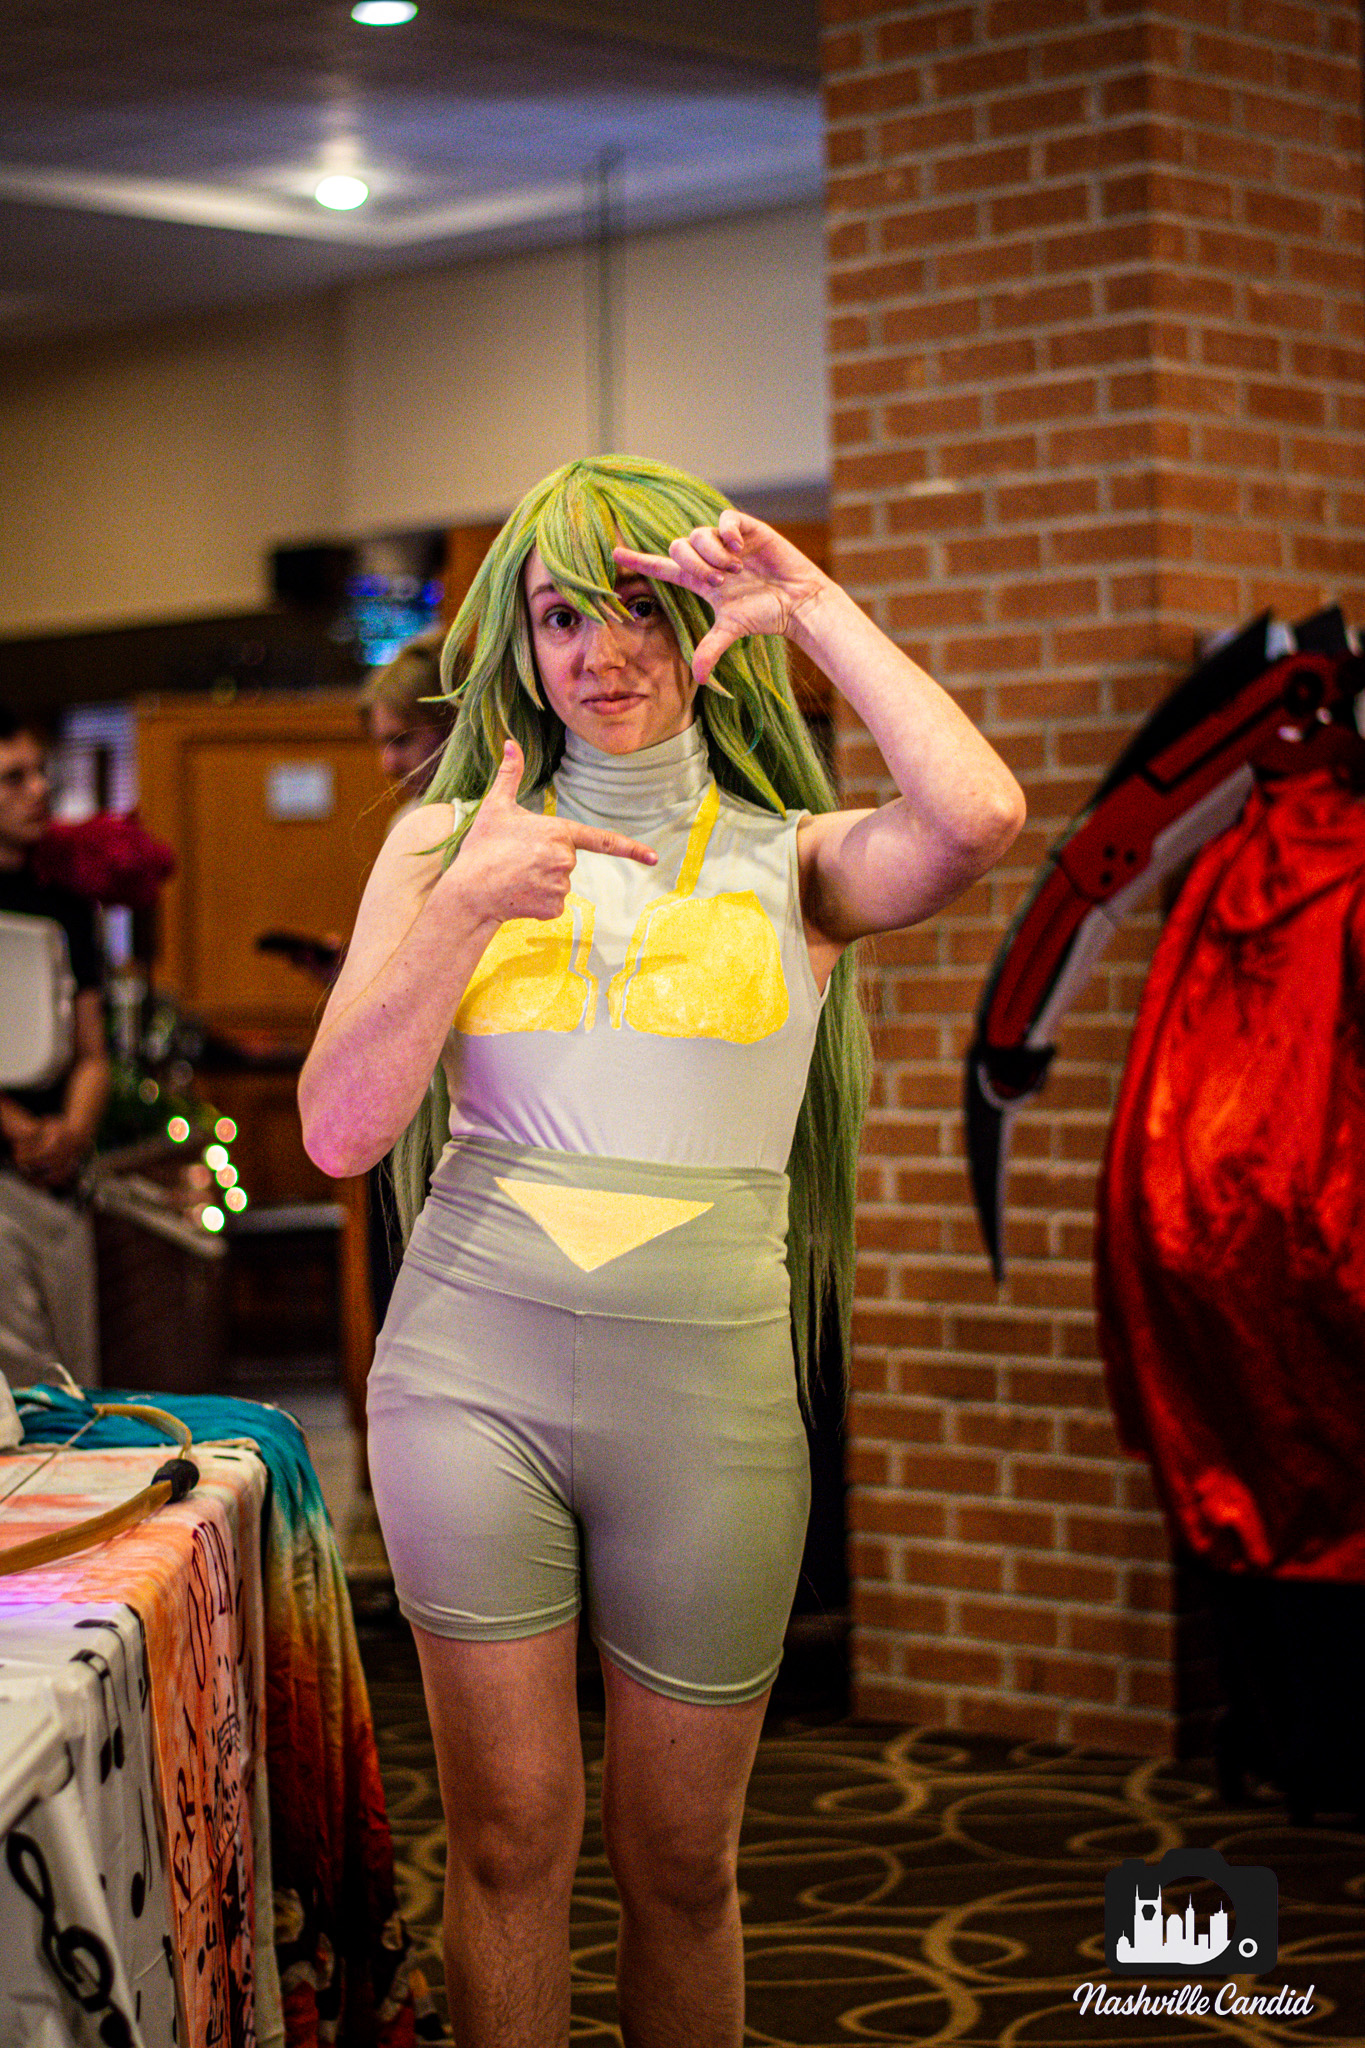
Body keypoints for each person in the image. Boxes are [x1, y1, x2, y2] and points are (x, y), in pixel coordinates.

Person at [298, 454, 1025, 2047]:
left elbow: (978, 817)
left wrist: (811, 606)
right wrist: (461, 911)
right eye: (562, 617)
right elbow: (341, 1134)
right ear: (521, 643)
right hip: (465, 1379)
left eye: (638, 609)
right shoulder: (439, 846)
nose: (602, 652)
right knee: (506, 1844)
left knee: (682, 1864)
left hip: (707, 1401)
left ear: (702, 622)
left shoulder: (796, 856)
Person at [0, 708, 110, 1387]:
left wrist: (71, 1131)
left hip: (60, 1174)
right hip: (4, 1168)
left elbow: (93, 1048)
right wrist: (18, 1129)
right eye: (14, 778)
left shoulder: (67, 905)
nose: (39, 789)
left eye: (41, 772)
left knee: (73, 1379)